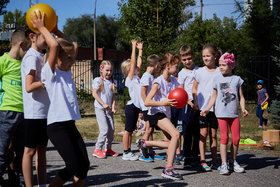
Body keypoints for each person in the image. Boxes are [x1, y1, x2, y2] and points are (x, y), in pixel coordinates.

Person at [31, 11, 90, 186]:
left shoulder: (66, 72)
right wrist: (42, 28)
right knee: (72, 165)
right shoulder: (51, 73)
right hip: (56, 126)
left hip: (69, 124)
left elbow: (74, 45)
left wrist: (57, 30)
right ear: (57, 59)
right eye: (69, 58)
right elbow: (55, 47)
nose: (73, 60)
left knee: (84, 164)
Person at [137, 52, 183, 180]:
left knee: (171, 143)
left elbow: (177, 97)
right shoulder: (158, 82)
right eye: (176, 66)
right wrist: (164, 102)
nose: (177, 69)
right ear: (168, 66)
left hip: (165, 113)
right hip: (156, 113)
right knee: (176, 135)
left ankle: (145, 143)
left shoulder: (174, 81)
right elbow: (147, 102)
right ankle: (168, 169)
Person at [201, 52, 248, 175]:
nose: (221, 67)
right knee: (224, 138)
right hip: (221, 114)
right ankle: (223, 163)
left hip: (234, 114)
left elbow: (241, 97)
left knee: (236, 138)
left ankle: (233, 161)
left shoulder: (237, 79)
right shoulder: (217, 79)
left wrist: (243, 108)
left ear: (231, 66)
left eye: (224, 65)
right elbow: (213, 97)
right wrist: (207, 108)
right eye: (220, 65)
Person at [21, 16, 50, 187]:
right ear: (32, 37)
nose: (47, 39)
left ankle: (42, 185)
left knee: (42, 151)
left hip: (44, 111)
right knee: (29, 151)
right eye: (43, 34)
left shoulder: (41, 55)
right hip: (34, 112)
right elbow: (29, 86)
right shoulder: (31, 56)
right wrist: (44, 83)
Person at [0, 29, 30, 187]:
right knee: (1, 152)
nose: (28, 53)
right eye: (27, 49)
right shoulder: (3, 61)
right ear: (20, 45)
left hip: (24, 114)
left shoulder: (25, 63)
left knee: (22, 153)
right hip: (6, 112)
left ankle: (18, 182)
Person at [192, 44, 222, 171]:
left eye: (208, 56)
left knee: (213, 135)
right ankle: (203, 160)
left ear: (215, 56)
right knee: (203, 133)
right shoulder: (199, 71)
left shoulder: (221, 70)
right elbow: (194, 88)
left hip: (216, 108)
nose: (205, 58)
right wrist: (195, 102)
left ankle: (215, 161)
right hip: (202, 108)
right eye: (203, 56)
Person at [177, 46, 200, 168]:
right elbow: (181, 90)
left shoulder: (199, 70)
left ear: (194, 57)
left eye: (189, 58)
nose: (187, 61)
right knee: (187, 131)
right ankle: (186, 156)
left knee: (197, 131)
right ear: (181, 60)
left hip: (199, 103)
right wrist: (189, 102)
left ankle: (195, 155)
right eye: (184, 59)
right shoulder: (182, 73)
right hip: (188, 104)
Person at [121, 40, 143, 161]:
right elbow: (134, 61)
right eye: (134, 67)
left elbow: (138, 62)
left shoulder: (137, 77)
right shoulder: (129, 79)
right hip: (131, 107)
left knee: (131, 131)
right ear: (129, 70)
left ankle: (128, 151)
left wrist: (141, 50)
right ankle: (126, 152)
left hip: (135, 107)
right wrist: (133, 47)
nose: (137, 67)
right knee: (127, 130)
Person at [139, 54, 164, 162]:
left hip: (149, 107)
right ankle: (142, 153)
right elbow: (143, 93)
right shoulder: (146, 76)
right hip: (147, 107)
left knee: (151, 129)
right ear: (156, 65)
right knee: (148, 129)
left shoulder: (149, 76)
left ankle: (150, 151)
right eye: (159, 67)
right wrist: (148, 105)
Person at [92, 60, 118, 158]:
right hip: (100, 108)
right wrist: (103, 104)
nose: (109, 73)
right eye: (107, 70)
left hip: (109, 109)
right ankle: (97, 149)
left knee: (111, 130)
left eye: (111, 71)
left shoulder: (113, 82)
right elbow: (94, 93)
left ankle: (108, 149)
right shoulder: (98, 80)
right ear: (101, 70)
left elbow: (113, 96)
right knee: (104, 130)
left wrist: (113, 107)